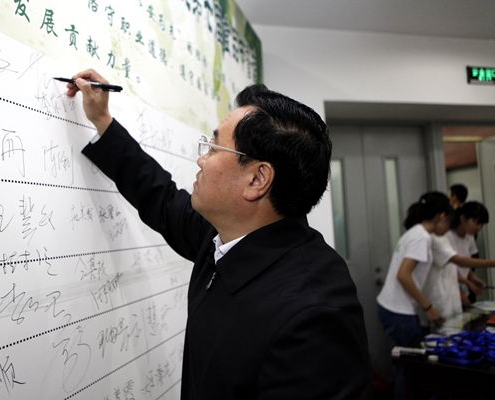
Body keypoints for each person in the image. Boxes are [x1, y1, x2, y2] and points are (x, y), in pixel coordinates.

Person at [66, 68, 372, 399]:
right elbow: (161, 198)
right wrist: (103, 121)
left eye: (213, 148)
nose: (201, 159)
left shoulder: (314, 313)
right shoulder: (230, 237)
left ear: (257, 179)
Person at [376, 192, 452, 399]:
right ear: (441, 216)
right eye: (448, 220)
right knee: (410, 368)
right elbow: (404, 275)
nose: (447, 228)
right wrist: (429, 307)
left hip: (392, 307)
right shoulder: (422, 237)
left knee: (407, 365)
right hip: (399, 312)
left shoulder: (414, 232)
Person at [423, 203, 494, 324]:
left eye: (482, 224)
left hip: (460, 292)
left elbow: (465, 264)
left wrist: (473, 278)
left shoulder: (469, 237)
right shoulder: (445, 237)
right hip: (447, 293)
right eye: (476, 222)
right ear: (463, 218)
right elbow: (458, 263)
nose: (479, 227)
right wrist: (463, 289)